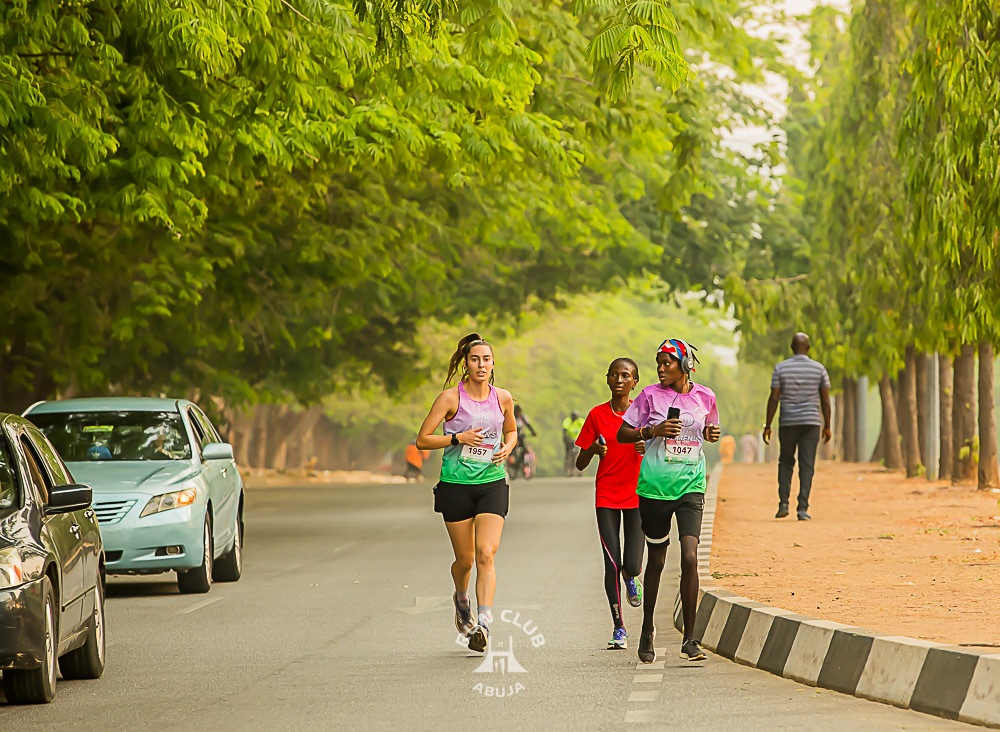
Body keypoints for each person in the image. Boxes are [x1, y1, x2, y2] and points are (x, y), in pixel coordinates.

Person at [617, 338, 720, 664]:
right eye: (658, 363)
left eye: (667, 363)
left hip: (691, 485)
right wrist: (653, 431)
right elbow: (623, 433)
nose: (661, 369)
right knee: (658, 560)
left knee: (689, 555)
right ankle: (647, 628)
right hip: (655, 488)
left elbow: (708, 428)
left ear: (685, 365)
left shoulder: (705, 396)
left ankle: (690, 638)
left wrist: (711, 434)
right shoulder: (649, 395)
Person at [415, 333, 518, 653]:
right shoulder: (450, 399)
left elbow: (511, 430)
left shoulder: (503, 398)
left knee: (486, 552)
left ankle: (483, 622)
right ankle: (462, 601)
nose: (481, 365)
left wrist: (508, 447)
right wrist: (457, 438)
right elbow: (422, 439)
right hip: (456, 485)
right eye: (475, 359)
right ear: (466, 363)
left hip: (492, 482)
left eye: (486, 359)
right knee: (465, 560)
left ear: (493, 363)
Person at [575, 358, 646, 650]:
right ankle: (619, 628)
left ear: (634, 382)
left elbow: (659, 448)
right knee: (612, 562)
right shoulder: (596, 415)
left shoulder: (644, 413)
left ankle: (631, 578)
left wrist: (645, 445)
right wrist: (593, 449)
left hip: (638, 495)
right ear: (607, 379)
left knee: (632, 564)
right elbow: (580, 463)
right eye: (614, 375)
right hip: (606, 495)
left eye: (625, 375)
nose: (619, 379)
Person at [762, 332, 832, 521]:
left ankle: (783, 504)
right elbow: (825, 401)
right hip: (811, 423)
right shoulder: (819, 369)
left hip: (788, 422)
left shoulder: (781, 368)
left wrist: (768, 424)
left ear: (792, 348)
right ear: (808, 348)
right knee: (807, 464)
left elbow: (774, 397)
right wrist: (827, 426)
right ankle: (802, 508)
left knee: (785, 461)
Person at [509, 405, 537, 477]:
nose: (519, 413)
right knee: (513, 448)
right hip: (513, 437)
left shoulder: (523, 418)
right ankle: (512, 460)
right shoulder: (511, 417)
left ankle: (523, 462)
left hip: (521, 437)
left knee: (524, 448)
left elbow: (528, 425)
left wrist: (533, 432)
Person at [562, 411, 584, 476]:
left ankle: (579, 470)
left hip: (579, 440)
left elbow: (586, 429)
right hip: (569, 440)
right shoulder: (567, 421)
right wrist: (565, 438)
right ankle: (569, 470)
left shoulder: (581, 421)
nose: (574, 419)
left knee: (578, 455)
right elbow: (564, 430)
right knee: (569, 454)